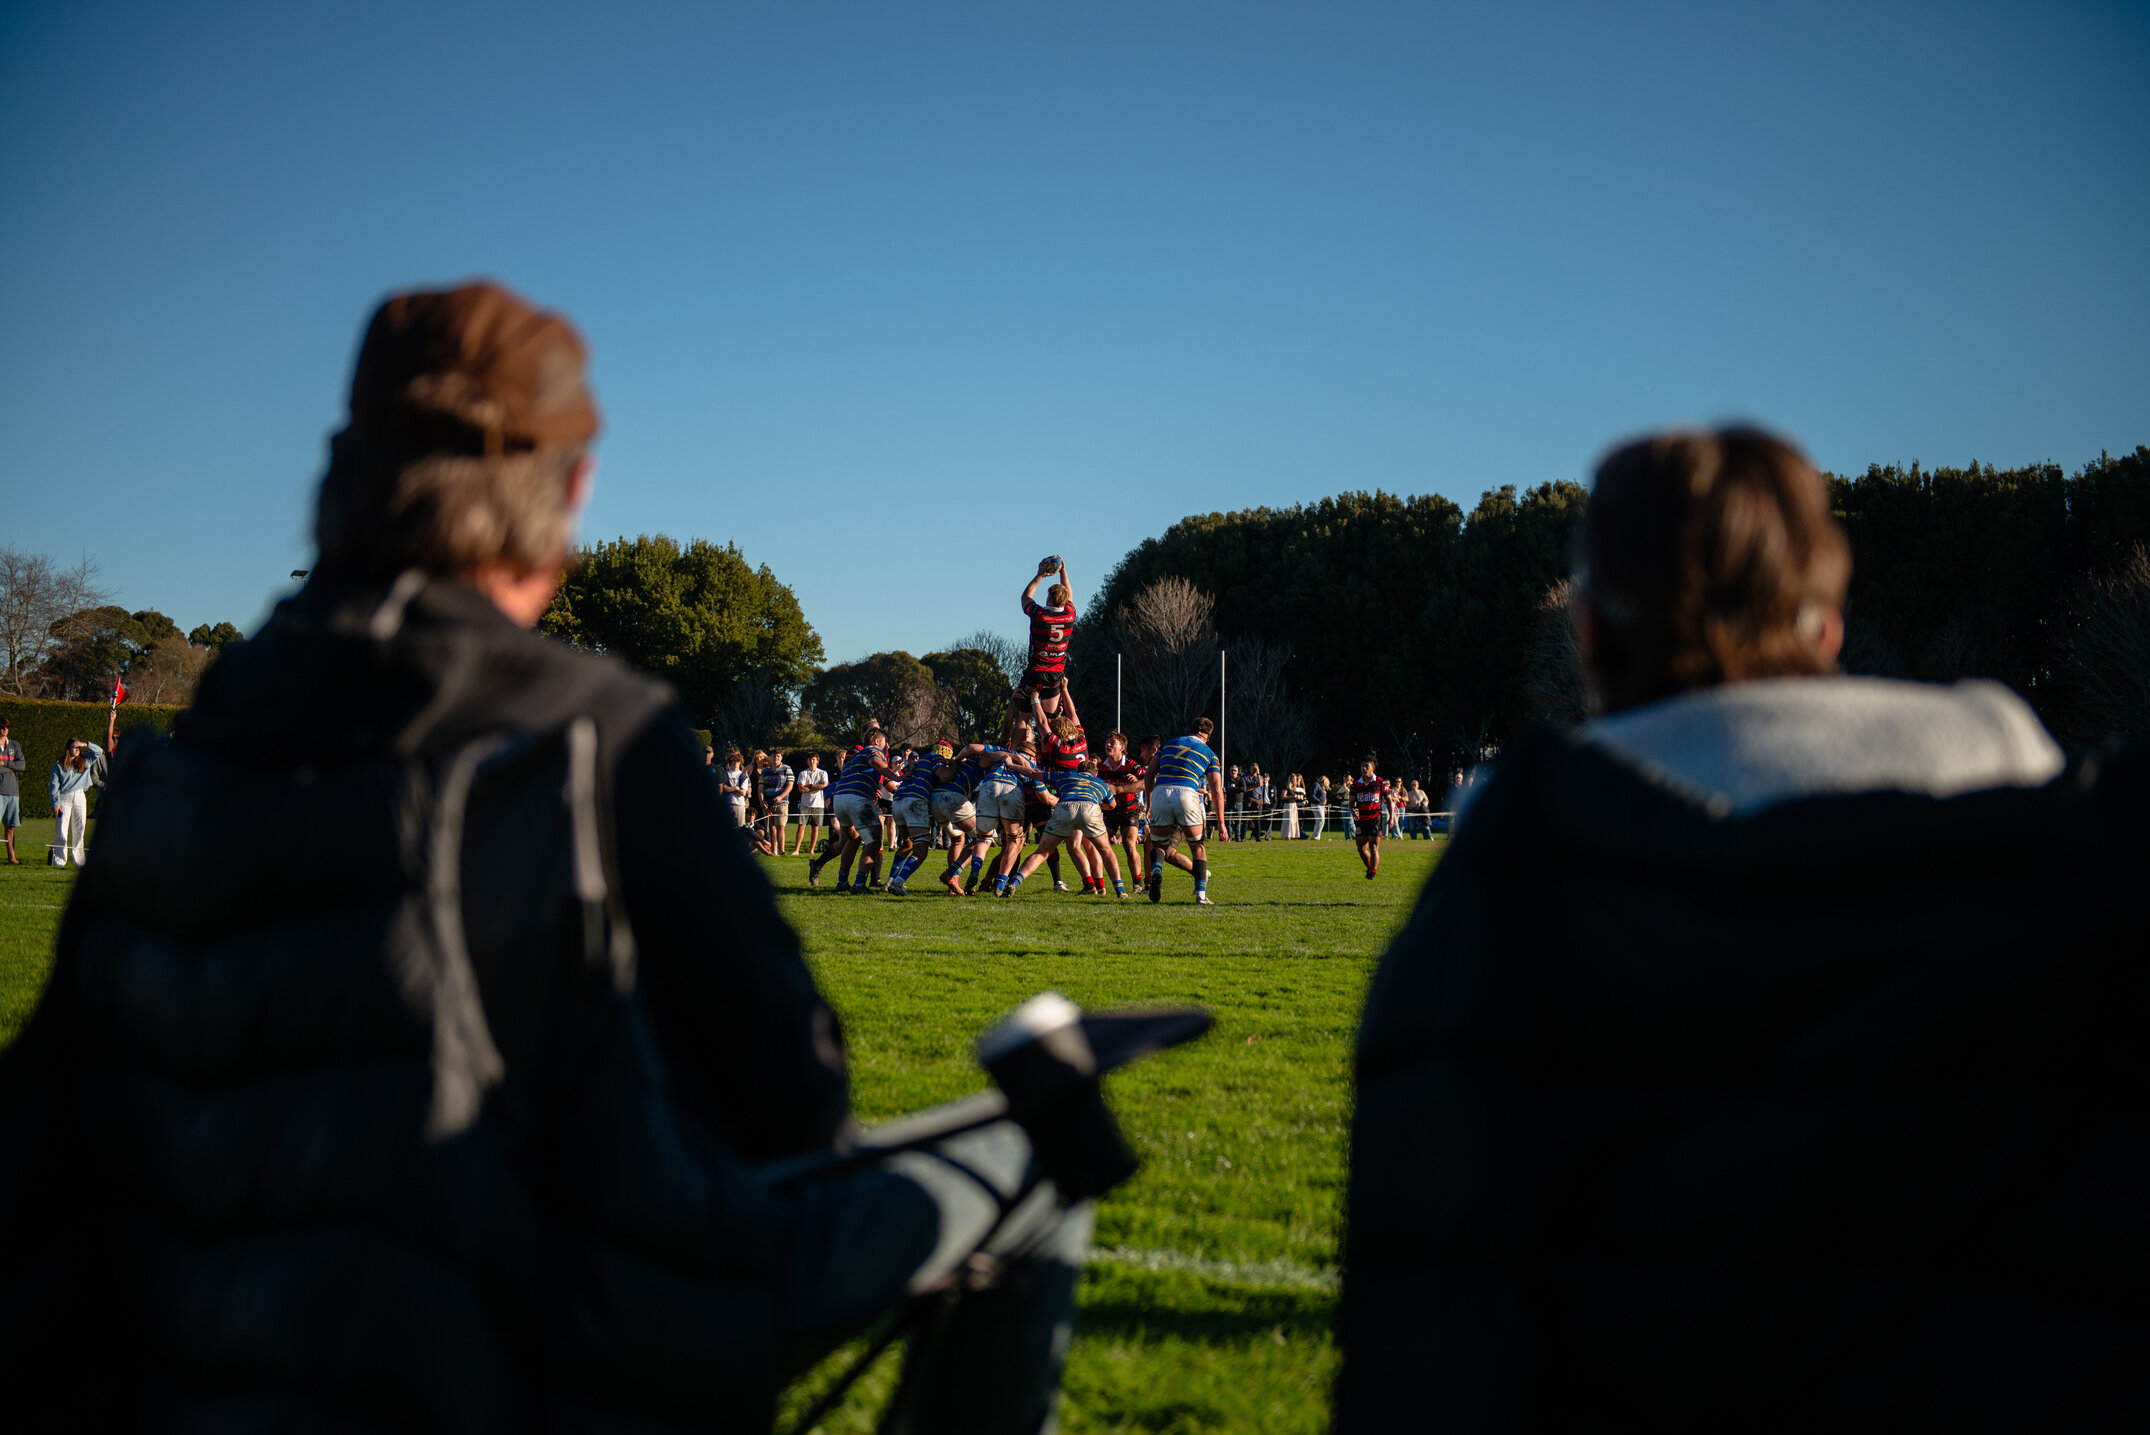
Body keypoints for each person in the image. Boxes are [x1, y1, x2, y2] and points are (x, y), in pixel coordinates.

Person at [0, 282, 1108, 1434]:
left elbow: (46, 1135)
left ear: (340, 470)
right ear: (570, 491)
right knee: (1042, 1146)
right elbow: (792, 1099)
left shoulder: (178, 763)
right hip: (538, 1354)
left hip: (194, 1353)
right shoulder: (597, 736)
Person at [1335, 428, 2141, 1432]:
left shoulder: (1518, 858)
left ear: (1586, 628)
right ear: (1827, 627)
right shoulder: (2023, 791)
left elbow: (1430, 1297)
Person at [1143, 717, 1231, 905]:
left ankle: (1156, 870)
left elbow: (1150, 772)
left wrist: (1150, 803)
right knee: (1197, 846)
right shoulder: (1210, 753)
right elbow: (1216, 789)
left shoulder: (1168, 744)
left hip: (1161, 792)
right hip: (1187, 794)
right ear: (1207, 737)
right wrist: (1221, 823)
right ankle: (1201, 896)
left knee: (1158, 844)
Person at [1002, 757, 1118, 897]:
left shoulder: (1066, 775)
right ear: (1095, 774)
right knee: (1105, 850)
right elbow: (1112, 805)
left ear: (1078, 771)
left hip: (1066, 808)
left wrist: (1011, 764)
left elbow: (1034, 773)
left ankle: (1014, 882)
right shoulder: (1100, 783)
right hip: (1090, 809)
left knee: (1042, 852)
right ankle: (1119, 890)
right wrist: (1099, 804)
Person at [810, 728, 899, 893]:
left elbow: (880, 775)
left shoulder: (855, 757)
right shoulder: (873, 751)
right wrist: (898, 777)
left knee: (853, 839)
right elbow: (875, 763)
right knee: (874, 841)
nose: (887, 746)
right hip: (857, 798)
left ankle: (842, 881)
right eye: (886, 742)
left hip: (841, 799)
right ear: (877, 741)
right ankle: (859, 884)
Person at [1017, 557, 1076, 719]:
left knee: (1023, 719)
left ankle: (1017, 745)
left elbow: (1025, 598)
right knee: (1050, 721)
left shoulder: (1040, 615)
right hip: (1055, 675)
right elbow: (1069, 595)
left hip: (1035, 672)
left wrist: (1039, 576)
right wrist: (1063, 570)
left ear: (1048, 599)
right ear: (1064, 601)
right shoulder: (1070, 615)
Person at [1099, 731, 1147, 890]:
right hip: (1108, 812)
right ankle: (1100, 885)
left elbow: (1146, 782)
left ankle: (1137, 884)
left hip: (1128, 810)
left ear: (1122, 747)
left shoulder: (1132, 765)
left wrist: (1128, 786)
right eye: (1107, 741)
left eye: (1112, 742)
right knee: (1100, 846)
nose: (1108, 744)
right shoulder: (1100, 767)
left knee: (1129, 843)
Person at [46, 737, 100, 867]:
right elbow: (54, 785)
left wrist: (85, 744)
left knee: (80, 828)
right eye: (74, 747)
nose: (77, 749)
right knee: (61, 829)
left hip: (80, 796)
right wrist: (55, 803)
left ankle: (79, 860)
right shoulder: (59, 764)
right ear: (68, 748)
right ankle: (59, 859)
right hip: (64, 797)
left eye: (79, 748)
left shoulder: (85, 761)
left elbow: (98, 752)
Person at [1348, 756, 1383, 879]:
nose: (1364, 768)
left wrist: (1392, 817)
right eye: (1362, 766)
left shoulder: (1380, 782)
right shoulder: (1355, 785)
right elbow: (1351, 802)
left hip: (1375, 819)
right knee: (1361, 850)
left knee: (1374, 847)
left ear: (1373, 768)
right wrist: (1353, 811)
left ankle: (1372, 873)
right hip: (1361, 820)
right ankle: (1369, 867)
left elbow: (1389, 800)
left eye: (1367, 766)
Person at [758, 746, 795, 855]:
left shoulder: (787, 769)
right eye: (774, 756)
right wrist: (762, 800)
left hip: (782, 803)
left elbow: (790, 785)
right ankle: (774, 851)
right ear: (770, 757)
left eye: (778, 756)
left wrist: (780, 796)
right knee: (772, 827)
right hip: (768, 803)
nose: (776, 758)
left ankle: (782, 850)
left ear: (781, 757)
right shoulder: (765, 771)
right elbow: (760, 787)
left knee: (781, 827)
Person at [791, 749, 828, 853]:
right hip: (804, 805)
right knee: (801, 826)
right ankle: (796, 850)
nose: (812, 761)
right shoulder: (803, 773)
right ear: (807, 761)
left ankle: (811, 850)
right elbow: (801, 789)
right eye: (810, 760)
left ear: (817, 761)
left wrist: (810, 786)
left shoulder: (823, 773)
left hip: (818, 805)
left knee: (815, 828)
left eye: (813, 759)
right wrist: (817, 787)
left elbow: (825, 785)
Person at [0, 717, 23, 865]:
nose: (5, 730)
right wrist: (11, 766)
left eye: (7, 727)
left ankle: (11, 857)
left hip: (13, 792)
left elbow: (21, 765)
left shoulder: (15, 745)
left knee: (11, 827)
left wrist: (5, 763)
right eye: (2, 727)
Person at [717, 745, 750, 829]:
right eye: (733, 760)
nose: (735, 762)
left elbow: (743, 792)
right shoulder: (724, 772)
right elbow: (723, 787)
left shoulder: (743, 774)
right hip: (726, 803)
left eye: (737, 760)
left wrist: (730, 789)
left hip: (740, 804)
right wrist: (735, 788)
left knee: (740, 828)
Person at [1308, 774, 1328, 841]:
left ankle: (1317, 836)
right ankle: (1315, 836)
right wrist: (1319, 801)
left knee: (1322, 821)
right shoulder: (1316, 785)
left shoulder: (1322, 788)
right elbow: (1312, 794)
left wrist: (1324, 806)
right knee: (1320, 820)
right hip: (1316, 805)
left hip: (1321, 806)